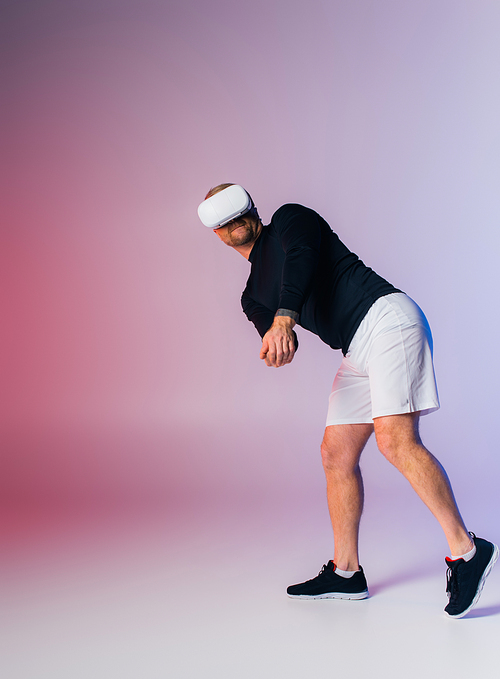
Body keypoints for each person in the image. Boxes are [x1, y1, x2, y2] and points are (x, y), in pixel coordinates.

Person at [198, 183, 498, 618]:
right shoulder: (252, 296)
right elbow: (278, 334)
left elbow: (300, 260)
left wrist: (285, 318)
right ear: (218, 234)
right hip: (357, 349)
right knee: (335, 454)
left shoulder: (289, 220)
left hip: (385, 318)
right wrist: (276, 341)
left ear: (252, 209)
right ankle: (346, 572)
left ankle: (467, 552)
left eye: (238, 211)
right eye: (222, 220)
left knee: (395, 441)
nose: (233, 222)